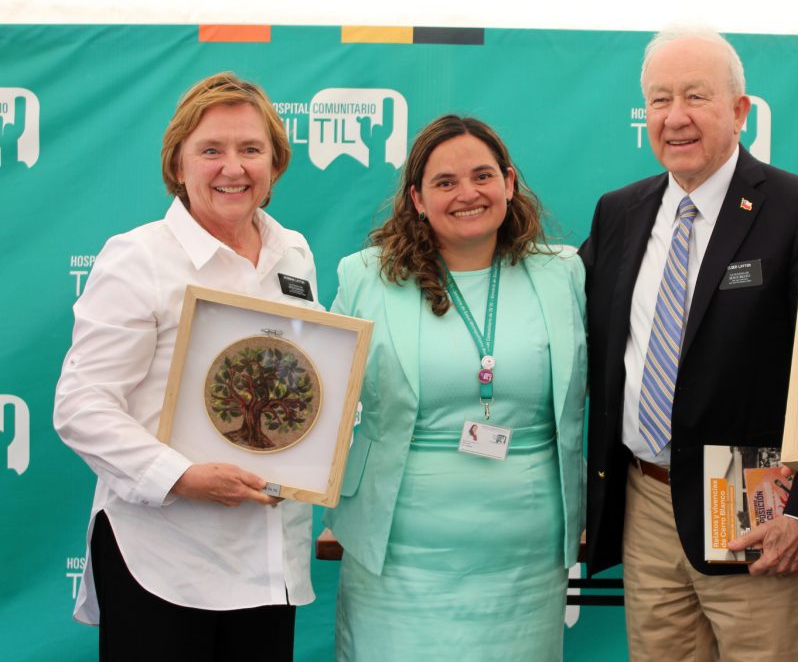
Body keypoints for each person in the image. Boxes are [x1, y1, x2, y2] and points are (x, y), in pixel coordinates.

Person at [581, 26, 798, 661]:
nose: (674, 117)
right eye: (658, 100)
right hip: (646, 504)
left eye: (695, 97)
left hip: (760, 508)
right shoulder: (618, 212)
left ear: (740, 111)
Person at [53, 72, 317, 660]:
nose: (233, 167)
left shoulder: (292, 252)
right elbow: (82, 406)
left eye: (251, 149)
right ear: (178, 165)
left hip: (268, 562)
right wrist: (181, 476)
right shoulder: (139, 258)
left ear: (275, 163)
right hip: (165, 561)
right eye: (211, 150)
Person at [325, 115, 586, 661]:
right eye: (445, 183)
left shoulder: (563, 275)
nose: (467, 193)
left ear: (509, 184)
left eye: (482, 176)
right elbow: (322, 399)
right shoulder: (365, 277)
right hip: (397, 559)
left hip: (526, 558)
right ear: (417, 198)